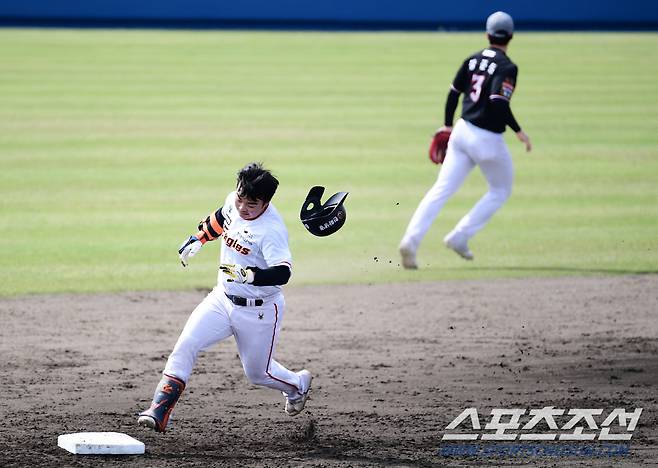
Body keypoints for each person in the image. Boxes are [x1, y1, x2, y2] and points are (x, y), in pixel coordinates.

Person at [138, 162, 312, 433]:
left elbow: (283, 273)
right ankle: (158, 412)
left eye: (251, 204)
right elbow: (222, 217)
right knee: (185, 345)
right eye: (241, 198)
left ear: (265, 203)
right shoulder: (235, 200)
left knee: (257, 373)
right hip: (222, 299)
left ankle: (297, 385)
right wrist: (199, 238)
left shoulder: (271, 231)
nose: (243, 207)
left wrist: (251, 276)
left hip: (260, 310)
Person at [399, 11, 531, 269]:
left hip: (462, 131)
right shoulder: (507, 67)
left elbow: (453, 93)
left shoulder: (472, 59)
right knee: (500, 190)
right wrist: (518, 130)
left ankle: (410, 241)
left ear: (487, 34)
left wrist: (447, 124)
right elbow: (497, 101)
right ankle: (460, 236)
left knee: (440, 190)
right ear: (511, 37)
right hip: (488, 140)